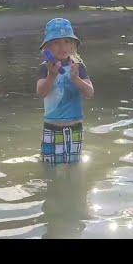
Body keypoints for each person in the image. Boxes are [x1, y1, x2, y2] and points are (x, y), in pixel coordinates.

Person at [36, 18, 94, 164]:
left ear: (73, 45)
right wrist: (52, 75)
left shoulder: (78, 67)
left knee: (74, 166)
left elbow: (89, 93)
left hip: (75, 126)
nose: (62, 46)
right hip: (52, 126)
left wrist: (76, 79)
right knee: (50, 167)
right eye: (56, 42)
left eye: (67, 41)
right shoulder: (46, 67)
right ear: (47, 48)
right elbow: (41, 93)